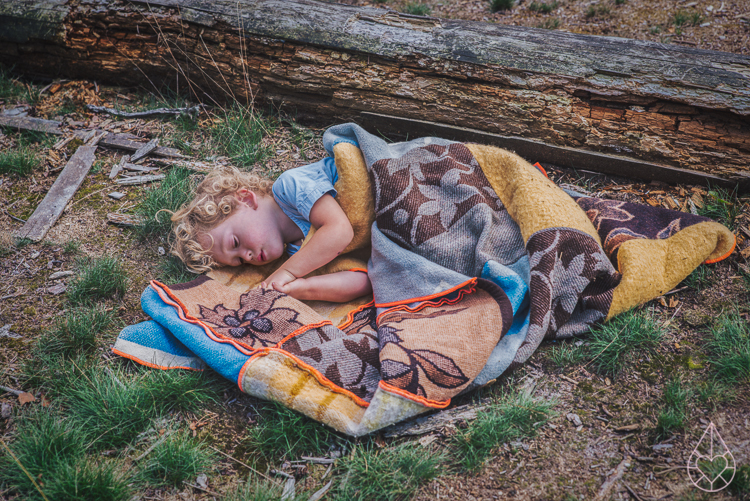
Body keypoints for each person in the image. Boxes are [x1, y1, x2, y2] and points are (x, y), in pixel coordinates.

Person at [170, 158, 372, 303]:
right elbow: (368, 281)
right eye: (240, 260)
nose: (247, 256)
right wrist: (302, 289)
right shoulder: (298, 253)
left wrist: (287, 272)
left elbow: (340, 231)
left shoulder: (291, 186)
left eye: (235, 243)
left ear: (245, 199)